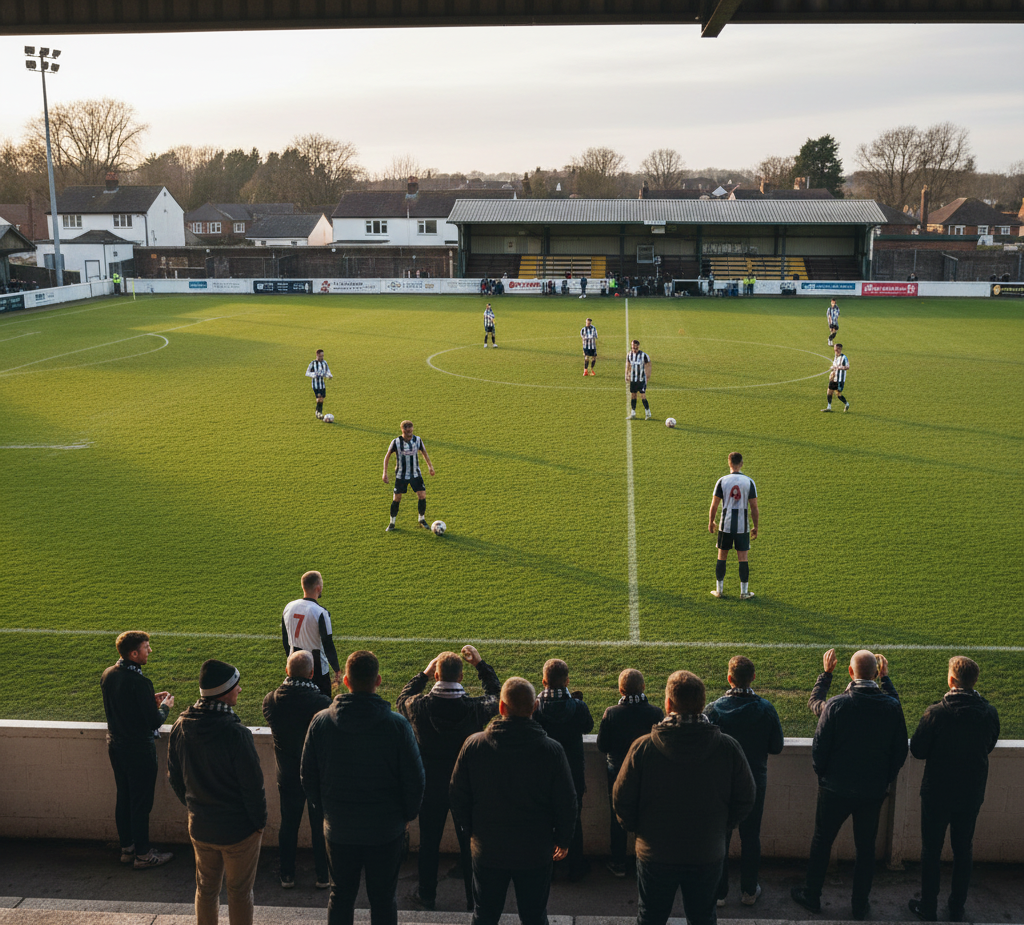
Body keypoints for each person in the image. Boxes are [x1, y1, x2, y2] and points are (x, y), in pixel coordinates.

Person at [613, 670, 756, 925]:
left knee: (650, 918)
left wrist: (640, 831)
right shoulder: (728, 747)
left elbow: (622, 799)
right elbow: (746, 798)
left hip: (655, 854)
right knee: (703, 917)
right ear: (703, 703)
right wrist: (722, 828)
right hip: (707, 852)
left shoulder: (642, 747)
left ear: (668, 705)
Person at [301, 650, 425, 925]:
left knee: (340, 896)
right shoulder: (397, 726)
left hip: (339, 828)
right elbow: (415, 781)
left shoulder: (320, 722)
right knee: (383, 899)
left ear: (345, 680)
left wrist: (327, 811)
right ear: (378, 680)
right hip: (385, 830)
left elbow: (308, 777)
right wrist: (406, 817)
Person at [791, 649, 908, 920]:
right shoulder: (890, 706)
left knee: (822, 842)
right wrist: (883, 780)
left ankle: (812, 895)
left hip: (834, 788)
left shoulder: (836, 705)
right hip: (872, 790)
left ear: (850, 672)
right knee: (865, 849)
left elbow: (818, 740)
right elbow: (899, 749)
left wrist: (825, 675)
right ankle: (859, 905)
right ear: (877, 673)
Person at [450, 677, 577, 925]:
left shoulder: (474, 745)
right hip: (535, 851)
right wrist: (562, 839)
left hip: (488, 848)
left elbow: (457, 794)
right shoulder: (551, 750)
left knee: (484, 915)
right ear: (535, 707)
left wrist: (470, 831)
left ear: (501, 708)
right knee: (534, 916)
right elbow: (567, 801)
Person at [397, 644, 501, 911]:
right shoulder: (475, 709)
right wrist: (480, 665)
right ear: (461, 677)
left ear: (435, 676)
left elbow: (402, 699)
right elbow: (497, 695)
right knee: (469, 844)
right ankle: (472, 898)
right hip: (466, 785)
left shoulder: (418, 706)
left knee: (429, 841)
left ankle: (427, 894)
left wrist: (423, 673)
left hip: (431, 784)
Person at [167, 659, 267, 925]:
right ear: (224, 691)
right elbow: (253, 787)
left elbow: (174, 776)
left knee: (206, 890)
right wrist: (259, 824)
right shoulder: (236, 734)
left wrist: (194, 808)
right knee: (240, 893)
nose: (240, 690)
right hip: (238, 831)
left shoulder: (181, 725)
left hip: (201, 825)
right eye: (236, 685)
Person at [908, 657, 1000, 923]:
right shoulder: (989, 713)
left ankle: (928, 906)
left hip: (937, 792)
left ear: (951, 680)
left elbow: (918, 750)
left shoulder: (936, 713)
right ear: (974, 682)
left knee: (931, 851)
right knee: (963, 850)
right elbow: (989, 744)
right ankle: (957, 908)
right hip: (970, 793)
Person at [704, 656, 783, 906]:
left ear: (729, 678)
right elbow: (777, 746)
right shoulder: (766, 708)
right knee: (751, 837)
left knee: (721, 837)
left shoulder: (714, 709)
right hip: (754, 781)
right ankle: (749, 891)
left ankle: (719, 892)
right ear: (754, 677)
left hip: (722, 783)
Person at [100, 630, 175, 869]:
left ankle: (127, 848)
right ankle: (143, 855)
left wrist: (146, 700)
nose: (149, 651)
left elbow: (122, 704)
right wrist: (164, 707)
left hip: (115, 744)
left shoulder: (108, 674)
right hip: (138, 749)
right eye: (146, 647)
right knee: (141, 802)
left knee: (124, 797)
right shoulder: (140, 682)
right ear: (134, 653)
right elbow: (154, 722)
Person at [262, 650, 333, 890]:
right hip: (316, 776)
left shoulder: (270, 700)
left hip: (287, 774)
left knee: (288, 825)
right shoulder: (323, 703)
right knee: (318, 826)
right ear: (312, 673)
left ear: (286, 671)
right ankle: (323, 875)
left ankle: (287, 874)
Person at [596, 669, 664, 877]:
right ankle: (646, 861)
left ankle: (618, 863)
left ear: (620, 690)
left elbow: (602, 745)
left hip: (617, 771)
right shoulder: (655, 713)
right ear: (643, 687)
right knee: (646, 816)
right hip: (647, 771)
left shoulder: (612, 712)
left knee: (617, 816)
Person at [534, 658, 593, 880]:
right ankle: (575, 866)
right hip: (573, 771)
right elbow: (588, 726)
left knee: (546, 818)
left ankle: (549, 865)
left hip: (544, 773)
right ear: (567, 681)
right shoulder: (578, 707)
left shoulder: (536, 708)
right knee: (573, 817)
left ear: (543, 681)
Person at [708, 452, 759, 600]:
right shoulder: (749, 482)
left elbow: (714, 505)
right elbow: (754, 507)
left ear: (729, 463)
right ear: (741, 463)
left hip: (726, 525)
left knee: (721, 556)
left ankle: (719, 591)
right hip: (742, 526)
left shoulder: (722, 481)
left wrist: (711, 522)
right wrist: (755, 526)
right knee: (743, 558)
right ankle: (744, 592)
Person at [282, 570, 340, 698]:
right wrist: (336, 668)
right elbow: (327, 643)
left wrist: (290, 660)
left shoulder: (288, 607)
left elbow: (285, 640)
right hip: (317, 667)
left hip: (295, 662)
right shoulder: (320, 612)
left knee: (296, 698)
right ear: (318, 588)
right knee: (322, 703)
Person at [382, 419, 435, 532]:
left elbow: (424, 452)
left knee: (422, 495)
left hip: (416, 474)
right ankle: (392, 523)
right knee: (397, 498)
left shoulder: (418, 440)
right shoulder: (396, 442)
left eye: (410, 428)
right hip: (401, 475)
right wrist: (384, 472)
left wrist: (430, 467)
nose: (409, 431)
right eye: (406, 429)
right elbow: (387, 456)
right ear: (403, 430)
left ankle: (421, 519)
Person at [625, 339, 652, 420]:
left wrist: (647, 376)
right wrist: (627, 374)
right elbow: (628, 364)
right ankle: (633, 412)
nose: (634, 349)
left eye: (636, 348)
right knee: (633, 395)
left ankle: (648, 412)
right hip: (633, 379)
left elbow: (648, 365)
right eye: (633, 347)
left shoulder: (644, 355)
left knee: (643, 396)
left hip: (641, 379)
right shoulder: (629, 355)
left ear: (638, 347)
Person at [821, 342, 850, 413]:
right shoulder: (836, 356)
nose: (835, 350)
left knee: (838, 394)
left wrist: (838, 367)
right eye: (834, 348)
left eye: (836, 348)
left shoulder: (844, 358)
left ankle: (846, 404)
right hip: (834, 378)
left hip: (840, 380)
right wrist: (832, 373)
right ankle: (829, 407)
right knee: (829, 391)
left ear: (839, 349)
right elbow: (834, 366)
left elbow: (847, 367)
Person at [305, 348, 333, 420]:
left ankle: (318, 411)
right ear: (317, 355)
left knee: (321, 399)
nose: (322, 357)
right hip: (315, 385)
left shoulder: (324, 363)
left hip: (322, 384)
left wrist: (329, 375)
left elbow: (327, 371)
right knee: (319, 398)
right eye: (320, 356)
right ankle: (318, 413)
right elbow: (307, 373)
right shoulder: (313, 363)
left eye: (323, 356)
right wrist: (314, 374)